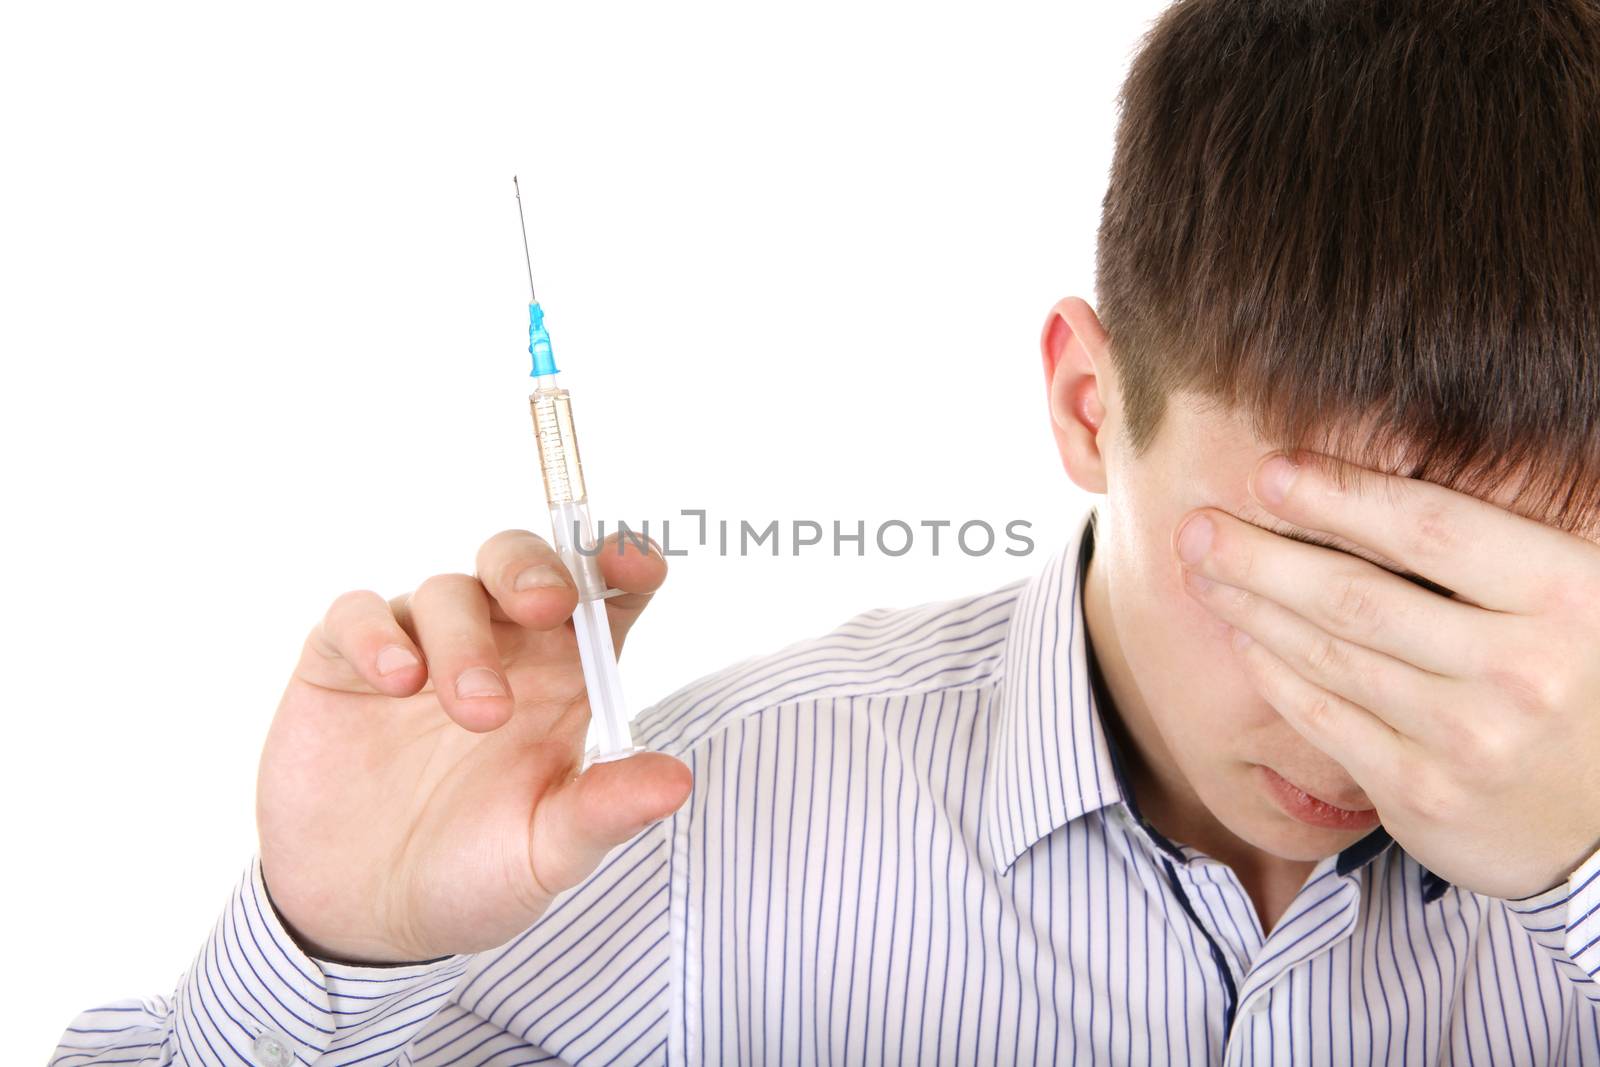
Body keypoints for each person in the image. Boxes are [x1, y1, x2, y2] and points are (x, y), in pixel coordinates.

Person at [53, 0, 1600, 1063]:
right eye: (1308, 573)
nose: (1383, 696)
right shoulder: (698, 847)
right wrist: (334, 955)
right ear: (1084, 405)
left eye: (1492, 588)